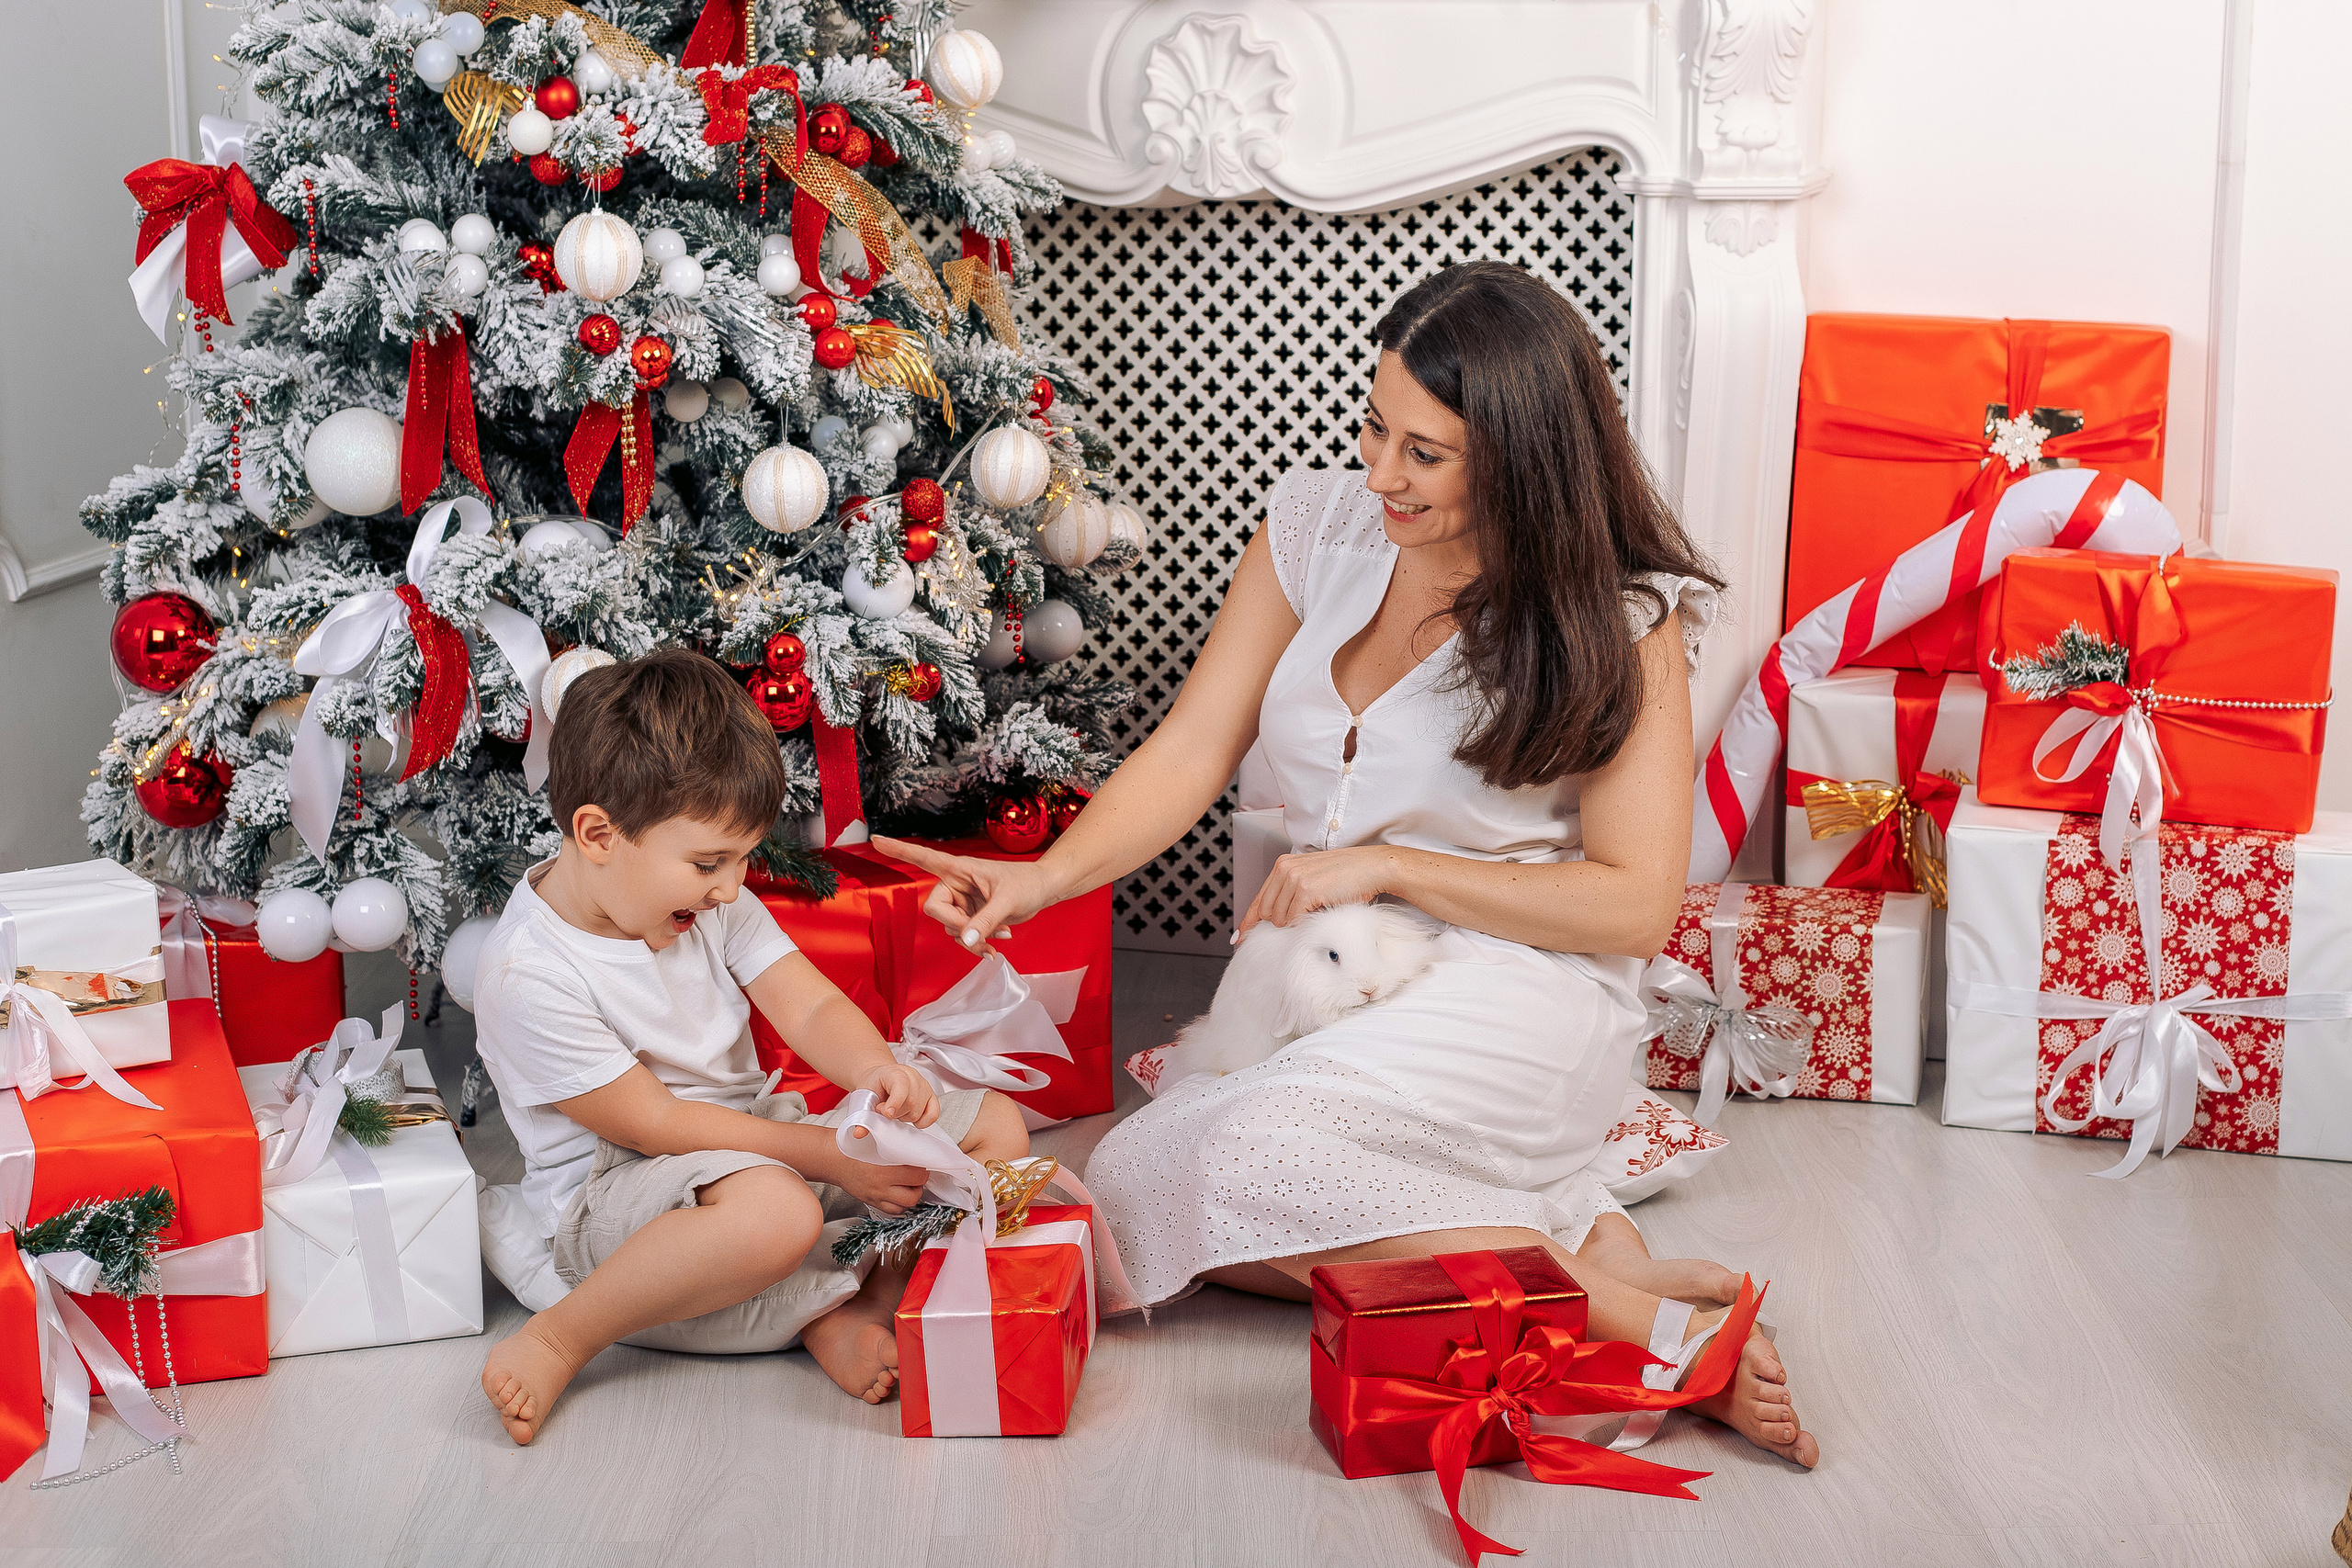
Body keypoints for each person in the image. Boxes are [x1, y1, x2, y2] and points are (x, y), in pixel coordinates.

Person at [877, 262, 1817, 1467]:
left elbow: (1636, 906)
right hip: (1333, 973)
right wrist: (1040, 879)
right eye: (1374, 427)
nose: (1380, 473)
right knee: (1136, 1177)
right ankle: (1576, 1260)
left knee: (1237, 1162)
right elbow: (1192, 748)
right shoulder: (1316, 530)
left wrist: (1390, 865)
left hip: (1525, 986)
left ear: (1522, 459)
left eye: (1425, 453)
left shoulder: (1620, 615)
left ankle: (1657, 1335)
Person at [470, 648, 1027, 1445]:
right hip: (619, 1191)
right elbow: (656, 1124)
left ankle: (860, 1307)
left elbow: (809, 1004)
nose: (731, 887)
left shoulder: (708, 901)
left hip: (753, 1138)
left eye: (741, 859)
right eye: (708, 863)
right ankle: (563, 1336)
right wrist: (831, 1156)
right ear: (597, 833)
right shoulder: (528, 971)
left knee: (993, 1127)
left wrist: (878, 1070)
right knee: (777, 1212)